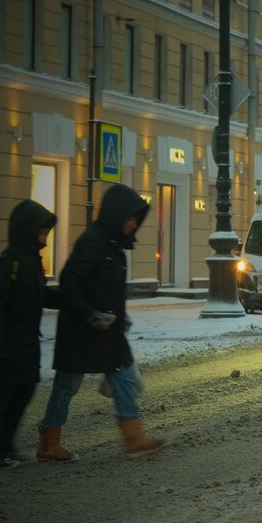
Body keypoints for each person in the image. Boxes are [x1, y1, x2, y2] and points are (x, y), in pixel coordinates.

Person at [37, 183, 166, 461]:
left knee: (122, 376)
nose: (134, 224)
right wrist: (88, 314)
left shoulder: (113, 244)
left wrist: (119, 315)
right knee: (67, 384)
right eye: (130, 217)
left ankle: (134, 438)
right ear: (116, 214)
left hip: (107, 331)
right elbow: (70, 280)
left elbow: (106, 287)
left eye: (136, 219)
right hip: (82, 330)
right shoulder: (94, 240)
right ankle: (49, 442)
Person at [0, 200, 59, 468]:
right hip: (3, 344)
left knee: (23, 391)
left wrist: (71, 299)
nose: (45, 235)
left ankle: (5, 444)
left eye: (47, 230)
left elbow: (40, 295)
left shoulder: (32, 261)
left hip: (25, 343)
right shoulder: (8, 262)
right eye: (42, 230)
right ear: (28, 229)